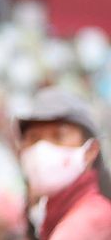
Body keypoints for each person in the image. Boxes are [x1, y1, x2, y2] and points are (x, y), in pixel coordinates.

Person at [16, 87, 111, 239]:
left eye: (58, 136)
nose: (42, 149)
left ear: (90, 151)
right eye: (33, 138)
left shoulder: (89, 221)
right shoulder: (52, 216)